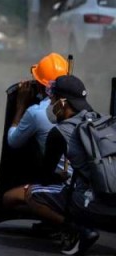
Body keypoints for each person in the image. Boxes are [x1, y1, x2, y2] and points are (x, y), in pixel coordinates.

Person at [25, 75, 116, 255]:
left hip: (93, 204)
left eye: (52, 99)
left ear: (63, 103)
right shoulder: (102, 120)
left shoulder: (59, 132)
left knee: (32, 193)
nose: (50, 104)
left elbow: (44, 177)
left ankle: (80, 230)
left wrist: (59, 176)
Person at [2, 53, 70, 213]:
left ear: (41, 86)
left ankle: (63, 223)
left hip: (62, 183)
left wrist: (20, 106)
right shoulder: (79, 106)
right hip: (83, 182)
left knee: (9, 199)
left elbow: (13, 141)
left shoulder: (36, 112)